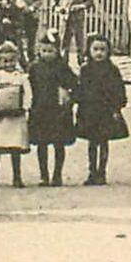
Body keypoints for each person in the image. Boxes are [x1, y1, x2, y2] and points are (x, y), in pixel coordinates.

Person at [74, 34, 129, 185]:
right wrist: (77, 101)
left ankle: (102, 171)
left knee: (104, 142)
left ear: (108, 51)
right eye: (95, 49)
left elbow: (119, 90)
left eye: (103, 50)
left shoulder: (112, 70)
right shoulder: (85, 70)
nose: (99, 53)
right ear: (89, 51)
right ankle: (92, 171)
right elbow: (80, 89)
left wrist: (117, 107)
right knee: (92, 143)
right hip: (90, 111)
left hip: (106, 111)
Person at [27, 34, 78, 187]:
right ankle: (44, 175)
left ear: (57, 51)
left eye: (51, 51)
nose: (47, 54)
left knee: (59, 143)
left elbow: (73, 84)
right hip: (40, 110)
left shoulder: (62, 67)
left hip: (58, 112)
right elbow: (29, 88)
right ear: (39, 51)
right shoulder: (34, 68)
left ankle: (57, 174)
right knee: (42, 144)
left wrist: (68, 97)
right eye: (44, 51)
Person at [0, 41, 32, 187]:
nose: (9, 64)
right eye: (5, 60)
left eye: (12, 60)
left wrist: (25, 107)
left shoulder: (21, 77)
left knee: (15, 147)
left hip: (15, 116)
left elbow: (28, 93)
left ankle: (17, 177)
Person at [52, 0, 97, 66]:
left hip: (78, 18)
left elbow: (89, 2)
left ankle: (81, 60)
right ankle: (63, 62)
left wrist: (81, 6)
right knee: (64, 40)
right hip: (66, 18)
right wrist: (58, 8)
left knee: (80, 40)